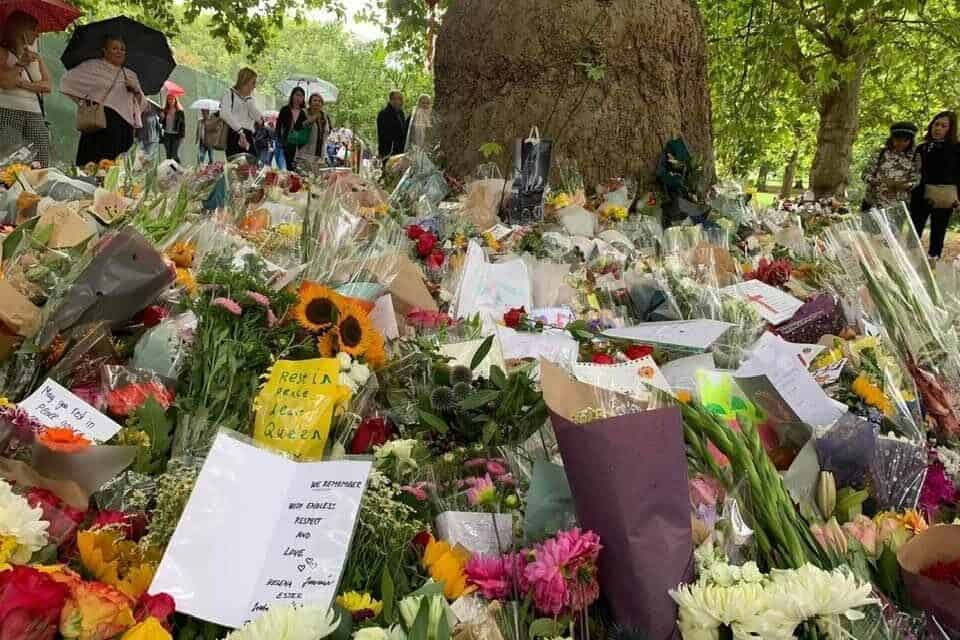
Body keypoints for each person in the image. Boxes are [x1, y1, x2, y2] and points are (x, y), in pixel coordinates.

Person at [61, 34, 144, 166]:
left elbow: (141, 105)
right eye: (115, 48)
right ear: (105, 50)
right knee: (91, 167)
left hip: (123, 129)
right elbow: (66, 82)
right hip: (99, 124)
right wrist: (82, 103)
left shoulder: (130, 74)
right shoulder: (93, 66)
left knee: (115, 172)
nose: (119, 52)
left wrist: (136, 91)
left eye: (122, 49)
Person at [0, 12, 50, 166]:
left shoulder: (35, 56)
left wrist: (22, 84)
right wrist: (21, 64)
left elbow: (47, 86)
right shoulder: (2, 53)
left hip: (34, 113)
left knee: (41, 160)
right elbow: (5, 82)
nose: (38, 33)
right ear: (21, 30)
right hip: (8, 111)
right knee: (8, 162)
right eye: (34, 29)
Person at [912, 111, 960, 260]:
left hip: (944, 196)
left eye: (943, 126)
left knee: (938, 232)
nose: (938, 128)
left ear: (950, 129)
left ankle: (933, 261)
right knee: (914, 231)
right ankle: (909, 262)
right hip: (920, 195)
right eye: (936, 124)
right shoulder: (922, 147)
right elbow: (915, 170)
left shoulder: (957, 148)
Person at [861, 122, 919, 212]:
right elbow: (865, 175)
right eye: (898, 140)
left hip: (898, 206)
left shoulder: (915, 157)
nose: (901, 143)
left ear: (910, 141)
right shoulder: (880, 153)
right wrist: (873, 181)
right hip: (873, 202)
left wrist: (906, 185)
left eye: (905, 141)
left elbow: (917, 180)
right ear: (892, 139)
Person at [218, 67, 261, 157]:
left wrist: (249, 103)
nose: (254, 86)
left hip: (248, 135)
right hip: (234, 134)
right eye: (253, 82)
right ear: (245, 81)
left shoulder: (250, 99)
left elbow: (258, 118)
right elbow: (224, 114)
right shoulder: (229, 94)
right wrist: (240, 131)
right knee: (236, 165)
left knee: (252, 164)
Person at [296, 92, 331, 166]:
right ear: (310, 102)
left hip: (320, 155)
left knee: (318, 177)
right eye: (314, 100)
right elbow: (297, 128)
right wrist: (310, 120)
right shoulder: (303, 112)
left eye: (319, 101)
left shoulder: (325, 116)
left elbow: (329, 130)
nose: (317, 103)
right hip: (304, 154)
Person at [277, 87, 307, 171]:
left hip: (299, 144)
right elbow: (278, 126)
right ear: (292, 96)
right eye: (297, 95)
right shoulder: (285, 109)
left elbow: (305, 128)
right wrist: (279, 140)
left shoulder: (304, 112)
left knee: (298, 169)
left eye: (301, 96)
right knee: (288, 167)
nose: (298, 98)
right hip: (287, 143)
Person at [377, 90, 406, 159]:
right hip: (388, 152)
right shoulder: (384, 114)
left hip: (400, 151)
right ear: (392, 100)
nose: (401, 101)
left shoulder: (401, 113)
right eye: (399, 99)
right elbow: (383, 135)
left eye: (401, 99)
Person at [161, 93, 185, 163]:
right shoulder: (165, 111)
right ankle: (169, 171)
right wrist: (162, 118)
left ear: (175, 100)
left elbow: (183, 125)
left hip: (176, 135)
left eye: (172, 99)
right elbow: (161, 123)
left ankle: (178, 169)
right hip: (167, 135)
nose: (170, 101)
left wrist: (182, 137)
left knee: (174, 154)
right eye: (168, 99)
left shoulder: (180, 111)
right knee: (168, 155)